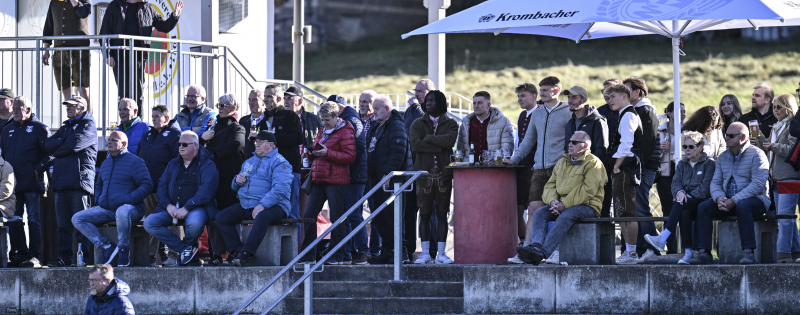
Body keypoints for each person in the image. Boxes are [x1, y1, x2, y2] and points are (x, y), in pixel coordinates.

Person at [503, 76, 571, 264]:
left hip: (559, 169)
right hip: (538, 169)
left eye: (546, 90)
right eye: (541, 90)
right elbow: (528, 141)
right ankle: (526, 251)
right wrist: (514, 159)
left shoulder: (567, 112)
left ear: (557, 91)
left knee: (557, 210)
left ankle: (556, 252)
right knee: (533, 209)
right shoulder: (537, 114)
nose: (542, 94)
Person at [516, 131, 607, 264]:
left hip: (588, 205)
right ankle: (535, 247)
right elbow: (550, 185)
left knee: (566, 214)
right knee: (540, 213)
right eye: (569, 142)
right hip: (562, 204)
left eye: (574, 143)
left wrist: (564, 205)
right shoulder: (562, 162)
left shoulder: (594, 163)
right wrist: (553, 201)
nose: (570, 145)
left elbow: (588, 191)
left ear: (585, 146)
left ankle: (544, 253)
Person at [689, 122, 770, 264]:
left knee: (743, 206)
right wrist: (719, 198)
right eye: (726, 135)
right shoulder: (723, 157)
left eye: (731, 136)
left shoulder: (757, 154)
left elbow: (758, 185)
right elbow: (715, 183)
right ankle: (705, 252)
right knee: (703, 207)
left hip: (757, 200)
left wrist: (735, 200)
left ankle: (748, 253)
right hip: (728, 201)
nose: (727, 138)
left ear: (744, 137)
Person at [71, 131, 152, 266]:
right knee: (77, 218)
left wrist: (127, 199)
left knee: (122, 211)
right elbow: (98, 185)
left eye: (114, 140)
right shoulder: (106, 163)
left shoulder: (135, 161)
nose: (110, 142)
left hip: (132, 209)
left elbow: (147, 185)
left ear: (124, 144)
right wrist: (99, 199)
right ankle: (106, 246)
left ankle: (123, 249)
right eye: (109, 139)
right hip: (107, 208)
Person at [215, 131, 292, 266]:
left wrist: (263, 205)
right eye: (256, 142)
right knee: (222, 217)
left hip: (276, 205)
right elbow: (235, 187)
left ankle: (246, 253)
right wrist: (236, 181)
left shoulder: (280, 163)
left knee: (262, 216)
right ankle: (236, 251)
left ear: (271, 145)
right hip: (248, 204)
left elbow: (281, 189)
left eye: (261, 142)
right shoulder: (249, 162)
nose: (257, 145)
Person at [144, 131, 219, 266]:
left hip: (197, 207)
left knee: (195, 223)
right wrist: (167, 205)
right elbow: (161, 185)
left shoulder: (207, 164)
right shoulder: (172, 163)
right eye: (179, 144)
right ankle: (186, 249)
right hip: (172, 207)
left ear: (196, 146)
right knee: (150, 222)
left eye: (185, 144)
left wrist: (187, 208)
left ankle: (187, 250)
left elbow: (206, 191)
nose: (180, 147)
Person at [99, 0, 183, 114]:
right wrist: (108, 54)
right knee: (124, 92)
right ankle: (125, 124)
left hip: (139, 57)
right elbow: (105, 31)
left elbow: (163, 26)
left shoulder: (147, 8)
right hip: (119, 55)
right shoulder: (115, 5)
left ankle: (138, 123)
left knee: (138, 92)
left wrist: (174, 16)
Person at [645, 131, 715, 264]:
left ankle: (664, 237)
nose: (687, 150)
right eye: (684, 147)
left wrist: (686, 195)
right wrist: (679, 193)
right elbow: (675, 184)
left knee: (679, 204)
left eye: (691, 146)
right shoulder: (682, 164)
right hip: (686, 203)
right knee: (684, 211)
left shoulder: (709, 164)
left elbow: (705, 189)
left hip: (702, 203)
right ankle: (688, 252)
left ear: (700, 147)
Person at [299, 102, 356, 264]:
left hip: (336, 180)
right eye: (322, 120)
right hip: (319, 179)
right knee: (309, 215)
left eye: (326, 120)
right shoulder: (323, 131)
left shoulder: (346, 130)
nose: (323, 123)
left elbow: (350, 157)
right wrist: (310, 154)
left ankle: (338, 255)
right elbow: (317, 151)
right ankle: (308, 255)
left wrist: (327, 153)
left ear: (335, 116)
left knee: (337, 217)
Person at [45, 95, 97, 267]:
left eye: (72, 106)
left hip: (78, 184)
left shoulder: (89, 125)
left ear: (82, 108)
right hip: (61, 184)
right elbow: (47, 145)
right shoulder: (66, 126)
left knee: (82, 224)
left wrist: (59, 146)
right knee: (63, 227)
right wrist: (62, 143)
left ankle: (86, 259)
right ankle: (64, 258)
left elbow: (73, 146)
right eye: (67, 105)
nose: (68, 108)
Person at [410, 90, 459, 264]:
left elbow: (450, 142)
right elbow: (415, 145)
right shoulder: (417, 123)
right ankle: (424, 253)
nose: (428, 103)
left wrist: (429, 138)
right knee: (424, 213)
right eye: (427, 100)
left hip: (444, 176)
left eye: (432, 100)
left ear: (440, 102)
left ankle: (441, 253)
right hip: (423, 175)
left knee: (442, 214)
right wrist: (439, 146)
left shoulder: (451, 123)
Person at [2, 96, 48, 268]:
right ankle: (19, 254)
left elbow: (50, 154)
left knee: (34, 220)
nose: (14, 111)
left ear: (28, 110)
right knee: (14, 220)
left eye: (18, 108)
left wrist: (37, 169)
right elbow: (4, 156)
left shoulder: (40, 128)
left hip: (32, 183)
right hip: (13, 185)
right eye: (13, 107)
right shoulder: (7, 130)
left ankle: (34, 256)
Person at [366, 95, 412, 264]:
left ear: (387, 109)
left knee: (393, 217)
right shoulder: (375, 127)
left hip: (391, 180)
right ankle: (387, 251)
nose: (373, 111)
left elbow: (398, 150)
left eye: (377, 108)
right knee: (380, 217)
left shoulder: (396, 124)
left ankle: (401, 252)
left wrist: (387, 173)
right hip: (376, 179)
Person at [757, 94, 800, 263]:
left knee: (785, 217)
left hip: (789, 176)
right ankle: (796, 252)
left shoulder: (793, 125)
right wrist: (760, 139)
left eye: (778, 107)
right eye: (774, 107)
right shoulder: (777, 126)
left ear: (788, 108)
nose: (775, 111)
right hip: (776, 177)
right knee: (786, 217)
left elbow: (791, 148)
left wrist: (772, 146)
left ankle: (783, 254)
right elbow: (769, 148)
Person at [328, 95, 370, 264]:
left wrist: (345, 166)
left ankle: (363, 251)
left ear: (339, 107)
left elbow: (358, 148)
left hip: (354, 175)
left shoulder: (350, 120)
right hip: (348, 174)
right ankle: (347, 251)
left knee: (353, 214)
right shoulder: (345, 119)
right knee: (346, 214)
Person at [623, 76, 661, 259]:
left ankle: (652, 248)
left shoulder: (645, 111)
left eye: (626, 89)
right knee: (637, 206)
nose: (623, 93)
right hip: (640, 166)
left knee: (640, 206)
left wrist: (638, 165)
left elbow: (648, 142)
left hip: (644, 167)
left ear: (637, 92)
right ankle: (642, 248)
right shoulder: (636, 110)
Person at [137, 104, 180, 264]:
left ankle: (175, 255)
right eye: (152, 116)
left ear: (166, 118)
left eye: (157, 116)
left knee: (172, 220)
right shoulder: (147, 135)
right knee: (150, 221)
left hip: (167, 188)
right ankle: (150, 256)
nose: (154, 119)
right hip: (148, 187)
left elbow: (178, 161)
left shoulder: (174, 135)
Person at [605, 84, 643, 264]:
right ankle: (629, 251)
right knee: (622, 210)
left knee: (627, 209)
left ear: (624, 96)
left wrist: (616, 165)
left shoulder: (628, 115)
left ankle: (632, 252)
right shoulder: (626, 114)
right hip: (625, 168)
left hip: (626, 168)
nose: (609, 100)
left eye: (612, 96)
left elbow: (627, 144)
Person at [252, 86, 302, 221]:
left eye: (269, 96)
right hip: (268, 172)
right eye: (265, 96)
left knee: (292, 211)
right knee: (270, 209)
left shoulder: (290, 115)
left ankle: (293, 243)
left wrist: (273, 139)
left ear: (279, 99)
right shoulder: (262, 121)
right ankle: (274, 243)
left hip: (289, 170)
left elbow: (298, 138)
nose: (265, 99)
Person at [42, 0, 91, 109]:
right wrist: (46, 50)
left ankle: (88, 119)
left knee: (83, 87)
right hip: (59, 50)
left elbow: (83, 13)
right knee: (65, 88)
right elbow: (49, 26)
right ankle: (71, 119)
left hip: (80, 50)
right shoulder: (54, 2)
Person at [405, 79, 435, 260]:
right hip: (410, 168)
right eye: (415, 90)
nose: (416, 94)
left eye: (421, 91)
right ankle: (408, 252)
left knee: (428, 212)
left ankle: (430, 252)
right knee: (409, 211)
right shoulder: (410, 111)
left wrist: (416, 108)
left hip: (429, 170)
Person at [200, 93, 245, 211]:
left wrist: (211, 152)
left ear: (233, 108)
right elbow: (197, 146)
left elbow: (236, 145)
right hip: (211, 175)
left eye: (222, 105)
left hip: (228, 178)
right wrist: (201, 138)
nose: (219, 107)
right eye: (218, 105)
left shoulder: (237, 128)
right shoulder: (213, 126)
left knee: (227, 212)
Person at [511, 83, 539, 255]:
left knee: (534, 208)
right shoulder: (522, 115)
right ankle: (523, 242)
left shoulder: (540, 113)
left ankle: (534, 243)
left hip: (535, 166)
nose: (520, 99)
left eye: (523, 95)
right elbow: (518, 142)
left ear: (533, 96)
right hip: (521, 166)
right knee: (518, 207)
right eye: (518, 96)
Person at [655, 101, 685, 254]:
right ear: (670, 113)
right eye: (680, 111)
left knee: (684, 209)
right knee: (667, 210)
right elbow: (653, 156)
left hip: (683, 173)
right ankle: (671, 248)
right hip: (665, 174)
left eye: (684, 111)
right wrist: (660, 149)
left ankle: (686, 247)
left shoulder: (688, 130)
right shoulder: (659, 131)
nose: (683, 114)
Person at [457, 91, 514, 159]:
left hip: (493, 167)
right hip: (470, 167)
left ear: (488, 105)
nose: (476, 106)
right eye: (474, 103)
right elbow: (460, 150)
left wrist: (496, 160)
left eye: (480, 103)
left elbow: (507, 148)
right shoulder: (466, 123)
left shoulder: (503, 122)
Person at [597, 78, 622, 218]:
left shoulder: (627, 111)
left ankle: (628, 240)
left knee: (623, 203)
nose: (606, 94)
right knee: (604, 198)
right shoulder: (600, 111)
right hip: (603, 162)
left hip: (622, 161)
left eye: (610, 90)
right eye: (604, 91)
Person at [563, 86, 609, 160]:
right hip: (573, 169)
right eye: (569, 97)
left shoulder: (597, 121)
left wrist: (589, 167)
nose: (570, 101)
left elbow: (601, 150)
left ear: (584, 100)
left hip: (591, 168)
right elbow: (567, 149)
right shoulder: (570, 123)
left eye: (574, 98)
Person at [285, 86, 321, 153]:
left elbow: (322, 141)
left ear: (300, 101)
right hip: (287, 161)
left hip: (308, 161)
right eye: (285, 98)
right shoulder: (280, 119)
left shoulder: (315, 120)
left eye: (289, 98)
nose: (286, 102)